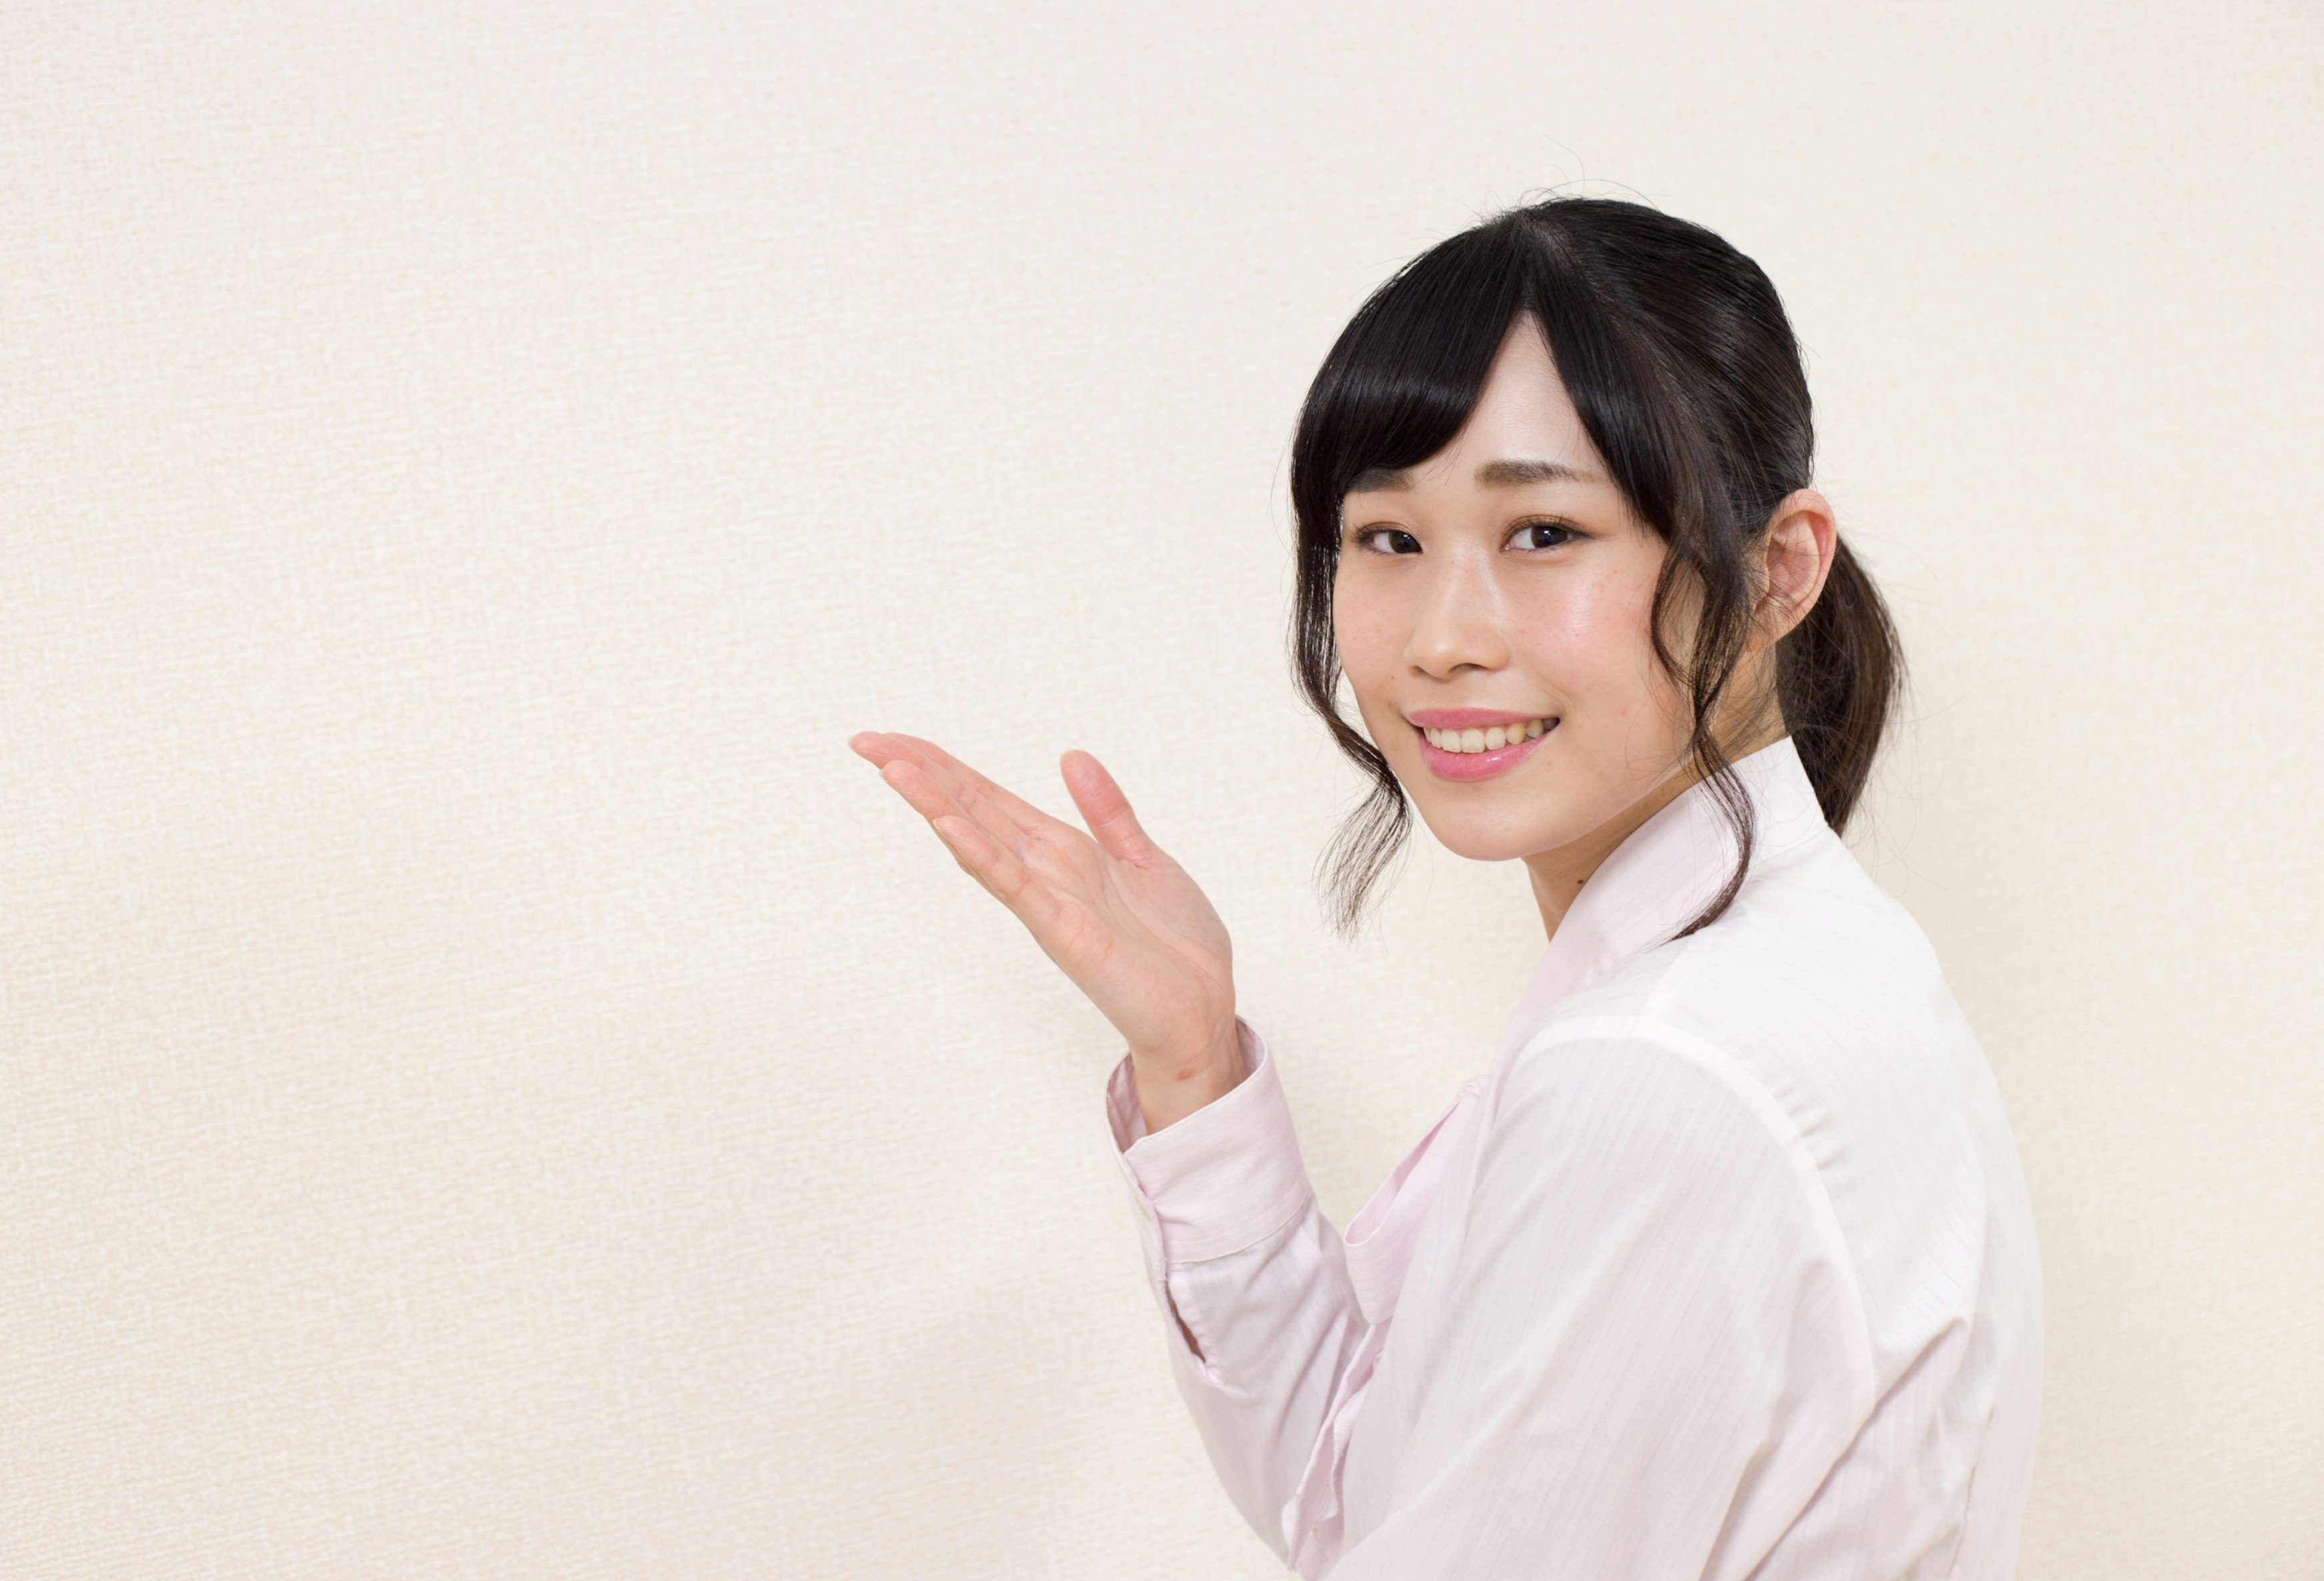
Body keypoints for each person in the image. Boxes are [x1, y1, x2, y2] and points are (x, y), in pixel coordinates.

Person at [847, 198, 2042, 1580]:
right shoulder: (1800, 963)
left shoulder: (1668, 1070)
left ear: (1779, 569)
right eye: (1388, 539)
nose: (1440, 638)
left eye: (1543, 531)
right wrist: (1194, 1064)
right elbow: (1362, 1498)